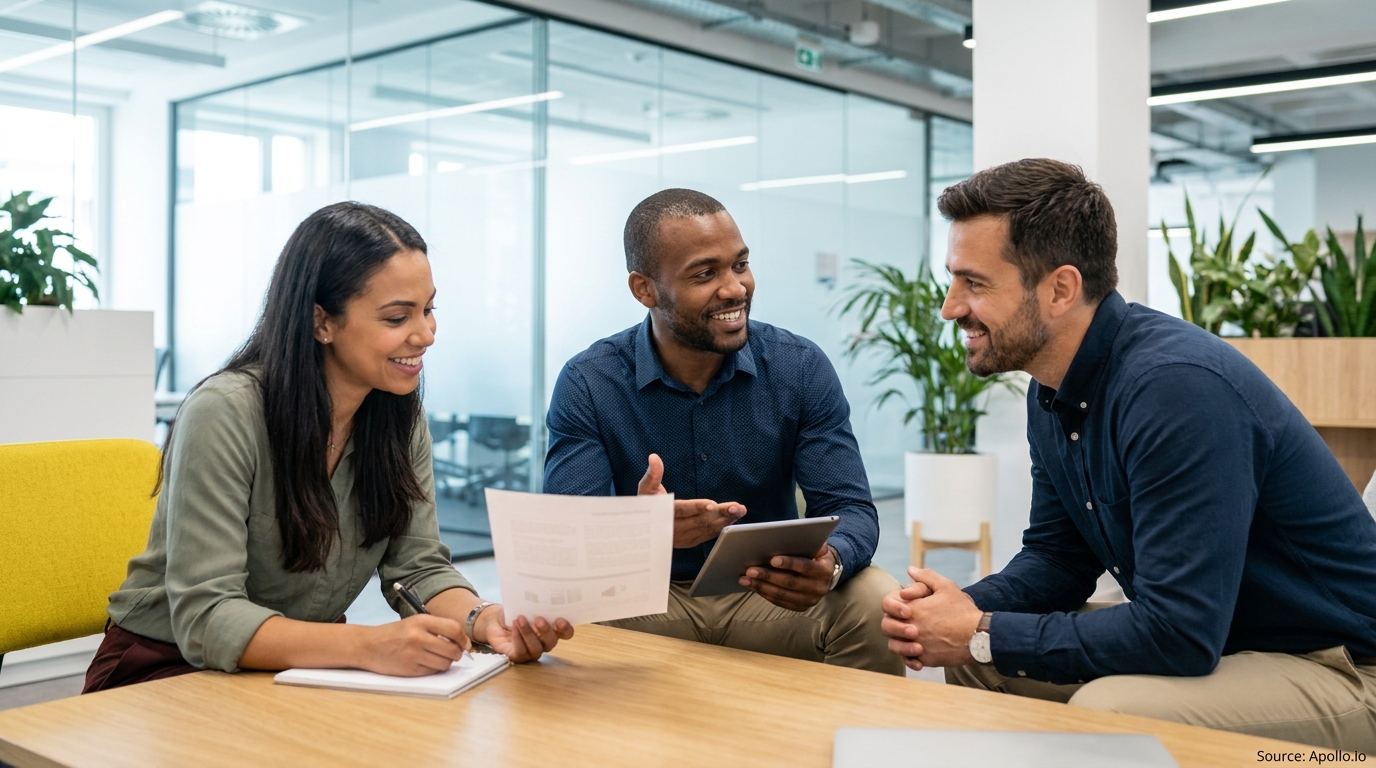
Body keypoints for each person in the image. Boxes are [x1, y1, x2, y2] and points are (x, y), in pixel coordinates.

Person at [879, 158, 1376, 752]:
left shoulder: (1177, 389)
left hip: (1340, 665)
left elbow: (1179, 632)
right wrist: (958, 612)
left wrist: (981, 631)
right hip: (1230, 645)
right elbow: (1058, 560)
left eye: (975, 283)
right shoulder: (1053, 388)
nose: (950, 306)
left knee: (1106, 711)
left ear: (1061, 289)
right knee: (981, 660)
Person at [85, 202, 572, 692]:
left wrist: (485, 620)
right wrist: (367, 647)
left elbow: (417, 567)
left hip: (299, 665)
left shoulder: (399, 417)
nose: (425, 334)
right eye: (398, 317)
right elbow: (208, 617)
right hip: (164, 669)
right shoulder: (226, 412)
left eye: (428, 310)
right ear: (322, 322)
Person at [543, 188, 901, 675]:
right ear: (645, 289)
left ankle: (855, 752)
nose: (735, 288)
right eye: (705, 274)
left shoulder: (799, 367)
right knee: (559, 611)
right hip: (644, 601)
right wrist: (641, 532)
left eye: (740, 264)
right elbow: (567, 539)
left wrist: (830, 562)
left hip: (766, 595)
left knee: (876, 600)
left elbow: (850, 507)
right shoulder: (590, 381)